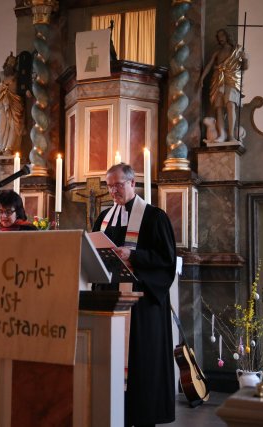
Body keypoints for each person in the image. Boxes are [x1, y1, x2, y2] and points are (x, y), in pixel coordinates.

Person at [92, 164, 176, 426]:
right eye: (109, 185)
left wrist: (134, 255)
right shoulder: (104, 218)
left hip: (141, 305)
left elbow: (166, 260)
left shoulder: (154, 217)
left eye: (118, 184)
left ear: (133, 183)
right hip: (110, 301)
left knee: (142, 363)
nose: (113, 190)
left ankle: (142, 415)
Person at [199, 28, 248, 143]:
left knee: (230, 105)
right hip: (218, 79)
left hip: (231, 79)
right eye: (219, 36)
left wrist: (244, 58)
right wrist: (202, 78)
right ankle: (222, 134)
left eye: (222, 36)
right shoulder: (217, 52)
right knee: (219, 108)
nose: (220, 38)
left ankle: (231, 135)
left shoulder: (237, 50)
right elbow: (209, 65)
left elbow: (244, 67)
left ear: (227, 36)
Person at [0, 190, 36, 283]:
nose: (3, 216)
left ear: (17, 212)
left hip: (22, 282)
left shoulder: (30, 231)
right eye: (0, 212)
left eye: (8, 212)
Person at [0, 52, 24, 156]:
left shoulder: (18, 76)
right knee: (2, 125)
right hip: (2, 103)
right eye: (9, 62)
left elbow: (22, 88)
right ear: (6, 63)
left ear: (15, 65)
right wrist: (3, 85)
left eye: (13, 63)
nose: (10, 65)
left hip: (15, 103)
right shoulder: (0, 75)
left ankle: (9, 147)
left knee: (14, 125)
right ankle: (0, 147)